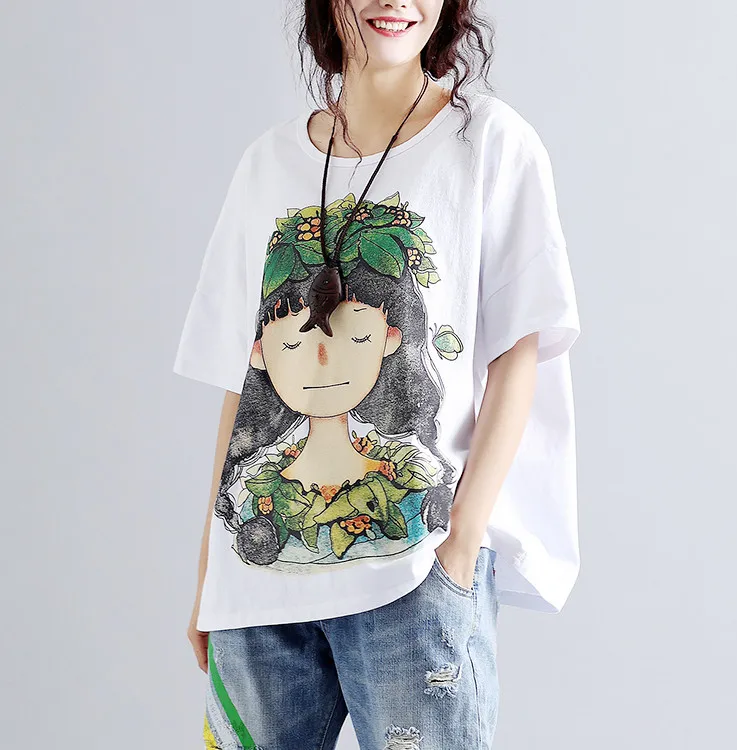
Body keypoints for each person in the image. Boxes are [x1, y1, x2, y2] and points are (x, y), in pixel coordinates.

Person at [172, 1, 581, 748]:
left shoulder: (488, 142)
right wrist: (209, 569)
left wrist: (459, 549)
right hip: (257, 579)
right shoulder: (267, 163)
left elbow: (517, 354)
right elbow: (241, 380)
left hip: (414, 571)